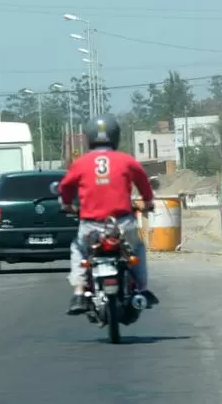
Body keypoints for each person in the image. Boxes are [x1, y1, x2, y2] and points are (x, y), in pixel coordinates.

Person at [58, 113, 160, 316]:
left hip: (90, 226)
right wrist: (148, 202)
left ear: (89, 137)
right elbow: (143, 182)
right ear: (116, 136)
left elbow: (65, 187)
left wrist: (68, 205)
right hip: (122, 224)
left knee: (78, 249)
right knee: (136, 250)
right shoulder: (126, 160)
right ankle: (142, 289)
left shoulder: (80, 163)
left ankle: (79, 292)